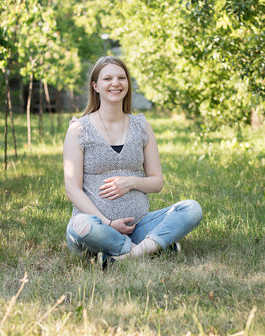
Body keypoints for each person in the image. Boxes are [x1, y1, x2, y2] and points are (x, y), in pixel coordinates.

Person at [63, 56, 202, 266]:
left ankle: (123, 256)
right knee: (80, 225)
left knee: (192, 209)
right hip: (96, 228)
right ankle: (150, 249)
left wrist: (131, 182)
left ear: (127, 83)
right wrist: (108, 223)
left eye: (121, 78)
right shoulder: (79, 130)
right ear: (96, 86)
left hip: (138, 227)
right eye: (107, 78)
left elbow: (157, 182)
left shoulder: (141, 127)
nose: (115, 83)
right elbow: (72, 189)